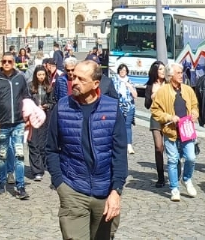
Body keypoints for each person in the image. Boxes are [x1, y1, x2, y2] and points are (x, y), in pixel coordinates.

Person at [45, 60, 127, 240]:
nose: (74, 82)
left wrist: (116, 191)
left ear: (95, 84)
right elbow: (51, 149)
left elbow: (119, 153)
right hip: (73, 189)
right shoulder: (62, 108)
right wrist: (60, 183)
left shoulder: (112, 109)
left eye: (81, 79)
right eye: (74, 77)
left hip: (105, 192)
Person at [150, 61, 201, 202]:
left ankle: (187, 179)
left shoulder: (187, 89)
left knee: (191, 157)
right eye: (178, 73)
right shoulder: (163, 91)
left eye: (182, 72)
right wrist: (169, 117)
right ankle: (174, 188)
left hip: (187, 130)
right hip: (171, 131)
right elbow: (155, 110)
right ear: (170, 75)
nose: (181, 75)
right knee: (173, 160)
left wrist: (195, 113)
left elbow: (194, 104)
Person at [0, 51, 31, 200]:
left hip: (18, 123)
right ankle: (1, 182)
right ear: (1, 62)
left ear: (14, 63)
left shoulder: (20, 78)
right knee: (2, 156)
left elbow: (27, 98)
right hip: (2, 124)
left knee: (19, 156)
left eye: (9, 61)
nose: (7, 64)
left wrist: (29, 117)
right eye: (4, 61)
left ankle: (20, 186)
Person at [142, 60, 169, 188]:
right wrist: (152, 95)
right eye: (160, 69)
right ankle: (160, 177)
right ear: (155, 71)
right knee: (159, 147)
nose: (163, 71)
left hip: (169, 118)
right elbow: (147, 105)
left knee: (171, 147)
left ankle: (175, 173)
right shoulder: (150, 85)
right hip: (156, 118)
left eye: (164, 69)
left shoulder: (169, 84)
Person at [28, 66, 55, 181]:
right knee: (33, 143)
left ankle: (42, 164)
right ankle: (36, 171)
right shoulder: (30, 86)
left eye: (43, 75)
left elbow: (52, 102)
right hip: (32, 118)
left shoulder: (48, 87)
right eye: (39, 75)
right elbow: (25, 100)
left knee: (43, 144)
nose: (41, 77)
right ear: (35, 75)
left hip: (44, 117)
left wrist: (45, 106)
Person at [113, 64, 137, 156]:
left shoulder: (130, 81)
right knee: (118, 125)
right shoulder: (114, 80)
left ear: (127, 71)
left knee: (127, 125)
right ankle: (118, 143)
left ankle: (129, 144)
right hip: (118, 105)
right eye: (121, 70)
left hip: (129, 106)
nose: (122, 71)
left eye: (124, 70)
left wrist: (130, 87)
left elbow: (135, 95)